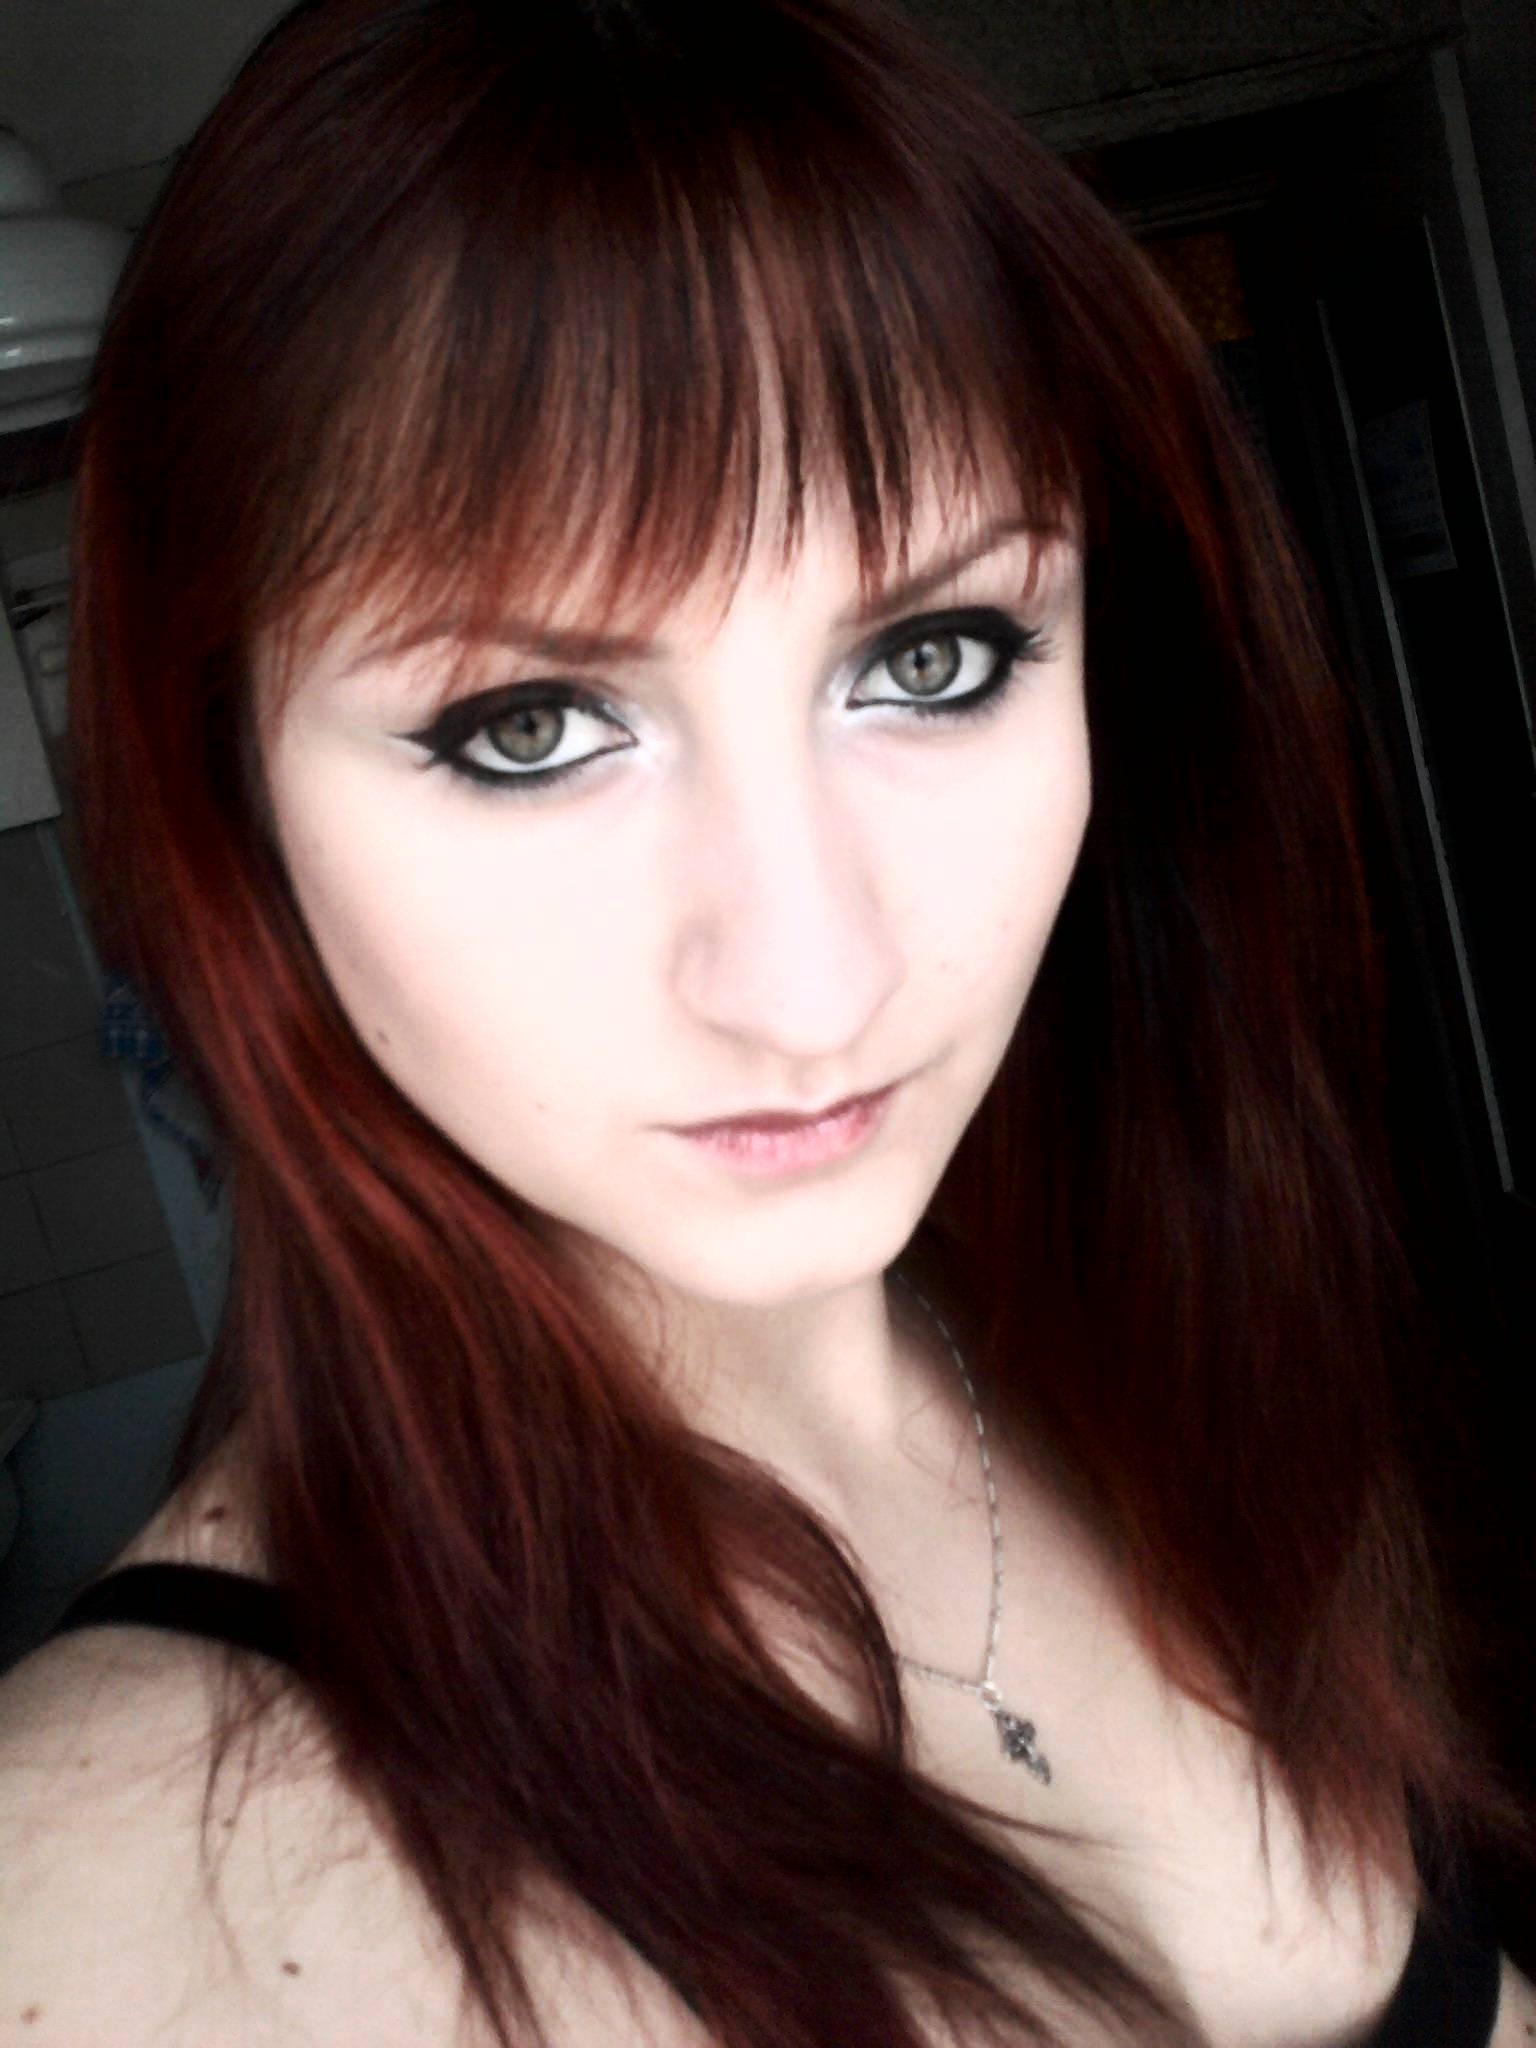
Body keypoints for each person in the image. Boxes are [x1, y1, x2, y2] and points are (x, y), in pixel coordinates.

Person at [0, 0, 1530, 2041]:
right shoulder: (94, 1909)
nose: (815, 985)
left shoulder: (1162, 1376)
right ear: (235, 803)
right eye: (527, 727)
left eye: (935, 657)